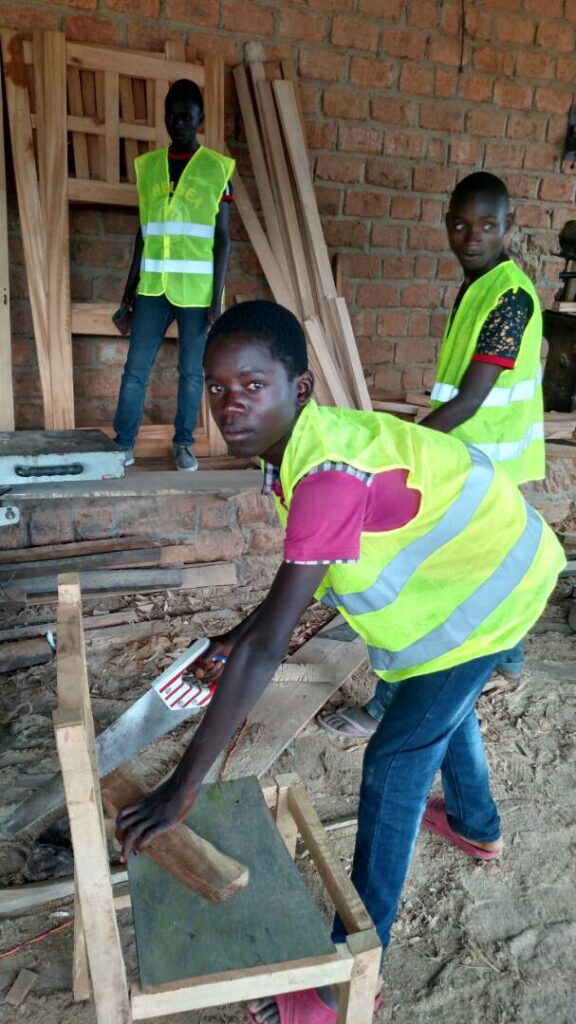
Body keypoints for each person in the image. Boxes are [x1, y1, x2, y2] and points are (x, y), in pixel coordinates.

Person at [116, 301, 565, 1024]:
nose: (230, 406)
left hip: (495, 591)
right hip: (481, 576)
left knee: (395, 760)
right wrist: (239, 634)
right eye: (218, 387)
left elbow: (271, 648)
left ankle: (349, 974)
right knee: (438, 711)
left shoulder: (323, 472)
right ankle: (476, 824)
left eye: (252, 385)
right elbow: (306, 580)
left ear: (299, 388)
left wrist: (181, 788)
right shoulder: (300, 449)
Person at [319, 172, 545, 738]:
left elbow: (470, 399)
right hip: (471, 455)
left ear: (508, 225)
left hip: (483, 463)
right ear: (447, 225)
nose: (472, 237)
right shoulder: (479, 285)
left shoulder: (510, 298)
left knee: (425, 586)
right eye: (461, 225)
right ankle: (509, 660)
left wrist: (400, 448)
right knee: (490, 569)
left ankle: (386, 706)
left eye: (487, 225)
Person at [112, 78, 235, 472]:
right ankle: (122, 444)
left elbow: (223, 239)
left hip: (196, 293)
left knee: (191, 372)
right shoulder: (149, 167)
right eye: (171, 116)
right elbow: (144, 233)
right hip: (152, 288)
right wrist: (129, 290)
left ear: (200, 119)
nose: (177, 123)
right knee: (135, 369)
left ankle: (183, 444)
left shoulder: (217, 169)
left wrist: (216, 301)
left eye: (186, 116)